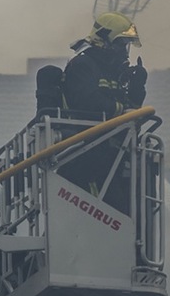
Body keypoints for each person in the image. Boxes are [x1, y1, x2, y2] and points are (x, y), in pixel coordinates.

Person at [56, 12, 148, 213]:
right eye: (120, 44)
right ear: (104, 40)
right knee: (110, 211)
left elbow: (131, 114)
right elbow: (88, 101)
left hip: (109, 154)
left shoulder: (113, 72)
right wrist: (123, 110)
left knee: (127, 210)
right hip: (85, 156)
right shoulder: (82, 65)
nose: (124, 51)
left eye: (126, 45)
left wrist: (136, 89)